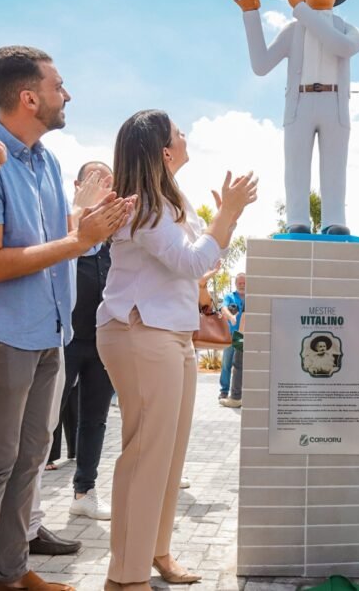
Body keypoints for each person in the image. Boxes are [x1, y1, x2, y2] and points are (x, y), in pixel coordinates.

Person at [0, 45, 133, 591]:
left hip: (47, 334)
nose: (66, 94)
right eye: (58, 85)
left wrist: (87, 220)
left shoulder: (47, 162)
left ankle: (10, 573)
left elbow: (60, 240)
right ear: (29, 97)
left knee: (28, 462)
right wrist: (80, 239)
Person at [96, 109, 257, 590]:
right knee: (146, 454)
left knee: (168, 454)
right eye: (179, 133)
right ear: (165, 152)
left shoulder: (166, 200)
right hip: (141, 332)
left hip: (170, 333)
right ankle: (126, 576)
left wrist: (216, 230)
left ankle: (156, 551)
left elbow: (189, 265)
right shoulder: (143, 203)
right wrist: (227, 215)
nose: (186, 136)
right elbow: (192, 262)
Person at [232, 0, 359, 235]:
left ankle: (333, 220)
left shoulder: (348, 30)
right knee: (295, 167)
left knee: (334, 166)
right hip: (299, 105)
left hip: (335, 106)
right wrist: (250, 13)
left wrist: (300, 8)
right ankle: (297, 219)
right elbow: (261, 65)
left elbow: (340, 46)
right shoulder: (293, 30)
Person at [59, 161, 117, 521]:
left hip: (103, 343)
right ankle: (26, 500)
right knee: (45, 419)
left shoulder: (117, 238)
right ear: (78, 184)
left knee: (94, 418)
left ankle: (85, 491)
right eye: (95, 179)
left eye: (108, 181)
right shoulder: (63, 227)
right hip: (63, 339)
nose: (102, 186)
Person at [219, 273, 246, 407]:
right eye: (239, 283)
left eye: (244, 283)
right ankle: (224, 391)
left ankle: (238, 394)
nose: (242, 285)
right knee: (226, 364)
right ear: (236, 284)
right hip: (230, 335)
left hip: (243, 336)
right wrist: (231, 317)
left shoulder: (251, 297)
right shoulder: (230, 296)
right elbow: (223, 308)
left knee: (239, 365)